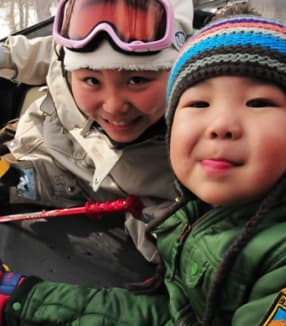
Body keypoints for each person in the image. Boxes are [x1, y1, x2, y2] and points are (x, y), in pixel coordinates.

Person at [1, 13, 286, 326]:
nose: (220, 125)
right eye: (198, 104)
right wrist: (26, 299)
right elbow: (179, 324)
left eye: (258, 103)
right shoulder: (196, 209)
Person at [0, 0, 193, 263]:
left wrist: (160, 238)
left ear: (179, 74)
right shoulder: (65, 53)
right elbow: (44, 53)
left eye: (137, 79)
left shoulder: (190, 153)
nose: (114, 107)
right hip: (29, 148)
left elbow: (169, 239)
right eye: (92, 80)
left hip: (69, 195)